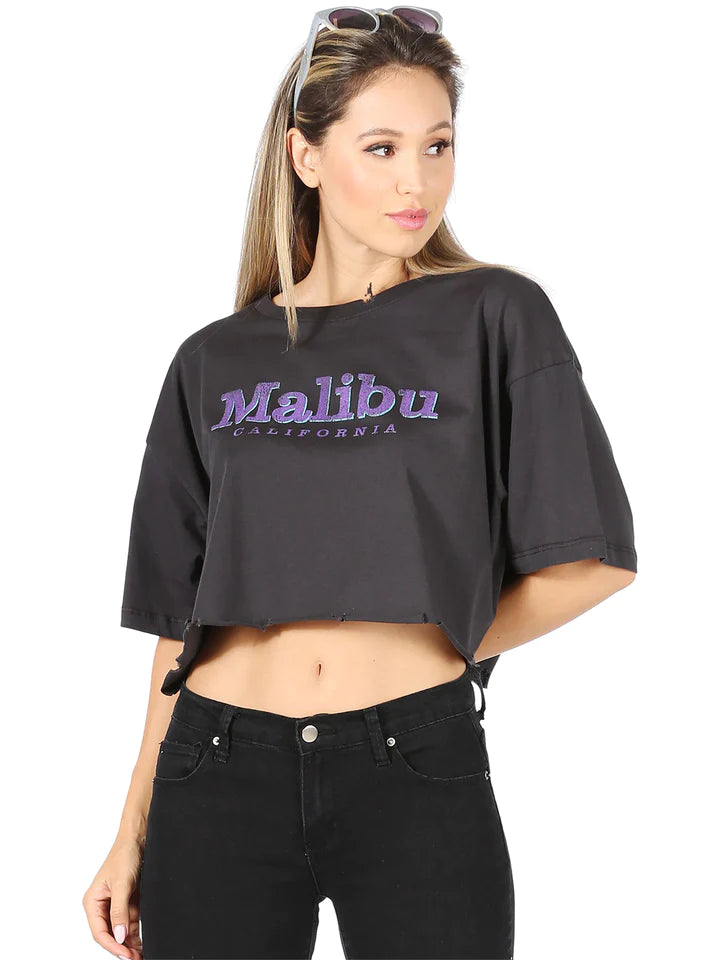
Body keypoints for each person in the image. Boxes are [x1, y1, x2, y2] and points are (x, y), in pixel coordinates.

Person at [82, 8, 637, 960]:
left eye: (436, 145)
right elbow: (182, 621)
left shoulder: (496, 314)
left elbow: (592, 561)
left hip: (413, 759)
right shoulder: (214, 360)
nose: (416, 180)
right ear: (305, 156)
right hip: (216, 767)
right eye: (381, 148)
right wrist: (128, 831)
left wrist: (440, 651)